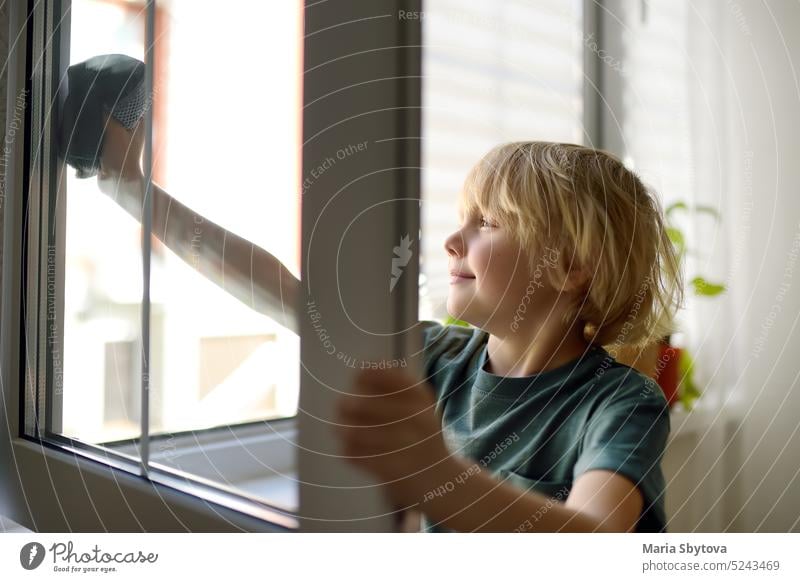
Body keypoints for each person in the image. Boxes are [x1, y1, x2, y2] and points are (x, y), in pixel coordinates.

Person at [97, 121, 682, 533]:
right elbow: (280, 291)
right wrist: (132, 188)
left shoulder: (622, 402)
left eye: (487, 223)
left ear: (571, 266)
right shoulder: (433, 356)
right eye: (460, 221)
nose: (453, 241)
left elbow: (594, 539)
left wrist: (435, 475)